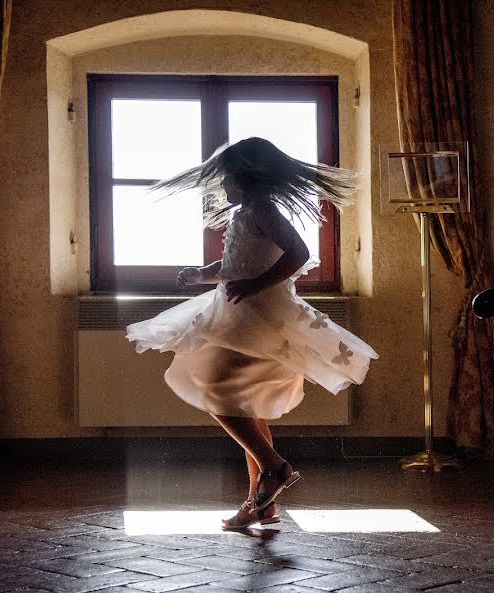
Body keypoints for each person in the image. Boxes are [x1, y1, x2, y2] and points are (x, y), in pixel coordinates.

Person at [126, 137, 378, 529]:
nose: (223, 185)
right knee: (247, 406)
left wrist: (258, 284)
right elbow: (234, 262)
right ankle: (261, 505)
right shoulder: (246, 213)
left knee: (216, 390)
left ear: (244, 178)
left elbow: (298, 254)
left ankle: (274, 468)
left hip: (258, 319)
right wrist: (201, 275)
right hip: (235, 313)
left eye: (227, 177)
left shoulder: (262, 209)